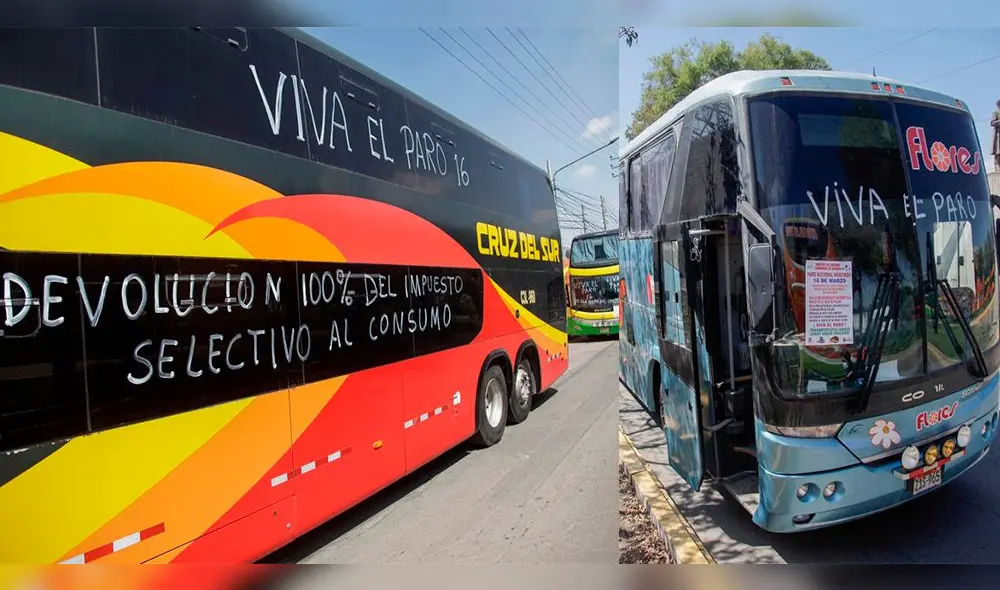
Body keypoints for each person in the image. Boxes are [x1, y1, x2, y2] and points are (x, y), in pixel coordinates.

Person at [992, 99, 1000, 171]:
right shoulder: (996, 112)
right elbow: (992, 123)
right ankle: (997, 167)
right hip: (998, 135)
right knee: (998, 151)